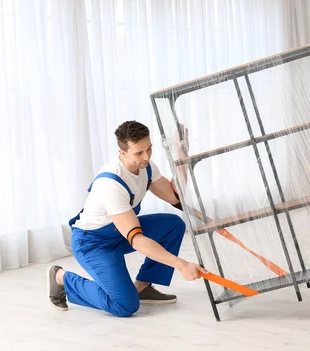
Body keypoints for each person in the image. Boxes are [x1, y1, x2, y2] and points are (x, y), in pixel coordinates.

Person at [46, 120, 207, 317]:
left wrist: (182, 155)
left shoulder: (146, 166)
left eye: (149, 149)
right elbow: (137, 240)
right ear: (122, 152)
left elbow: (174, 195)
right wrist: (182, 265)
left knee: (173, 225)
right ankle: (61, 278)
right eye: (139, 153)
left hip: (119, 233)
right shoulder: (111, 183)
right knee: (124, 305)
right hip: (93, 243)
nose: (146, 156)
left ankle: (142, 286)